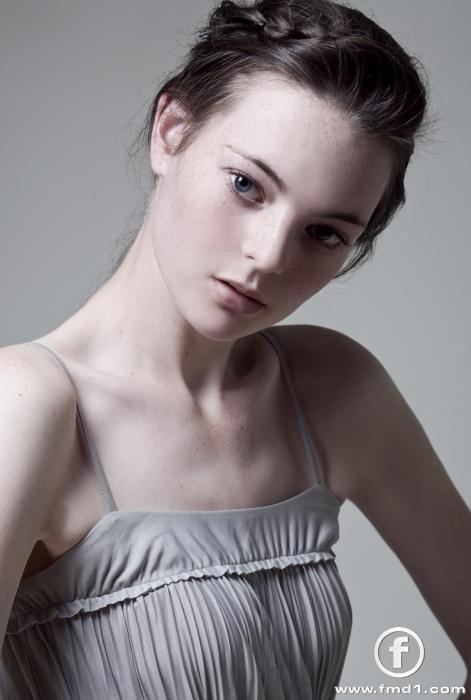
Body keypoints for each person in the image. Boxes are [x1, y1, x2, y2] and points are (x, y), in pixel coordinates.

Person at [1, 0, 470, 697]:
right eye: (247, 185)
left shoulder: (333, 389)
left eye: (324, 234)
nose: (268, 256)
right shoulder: (26, 407)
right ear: (171, 130)